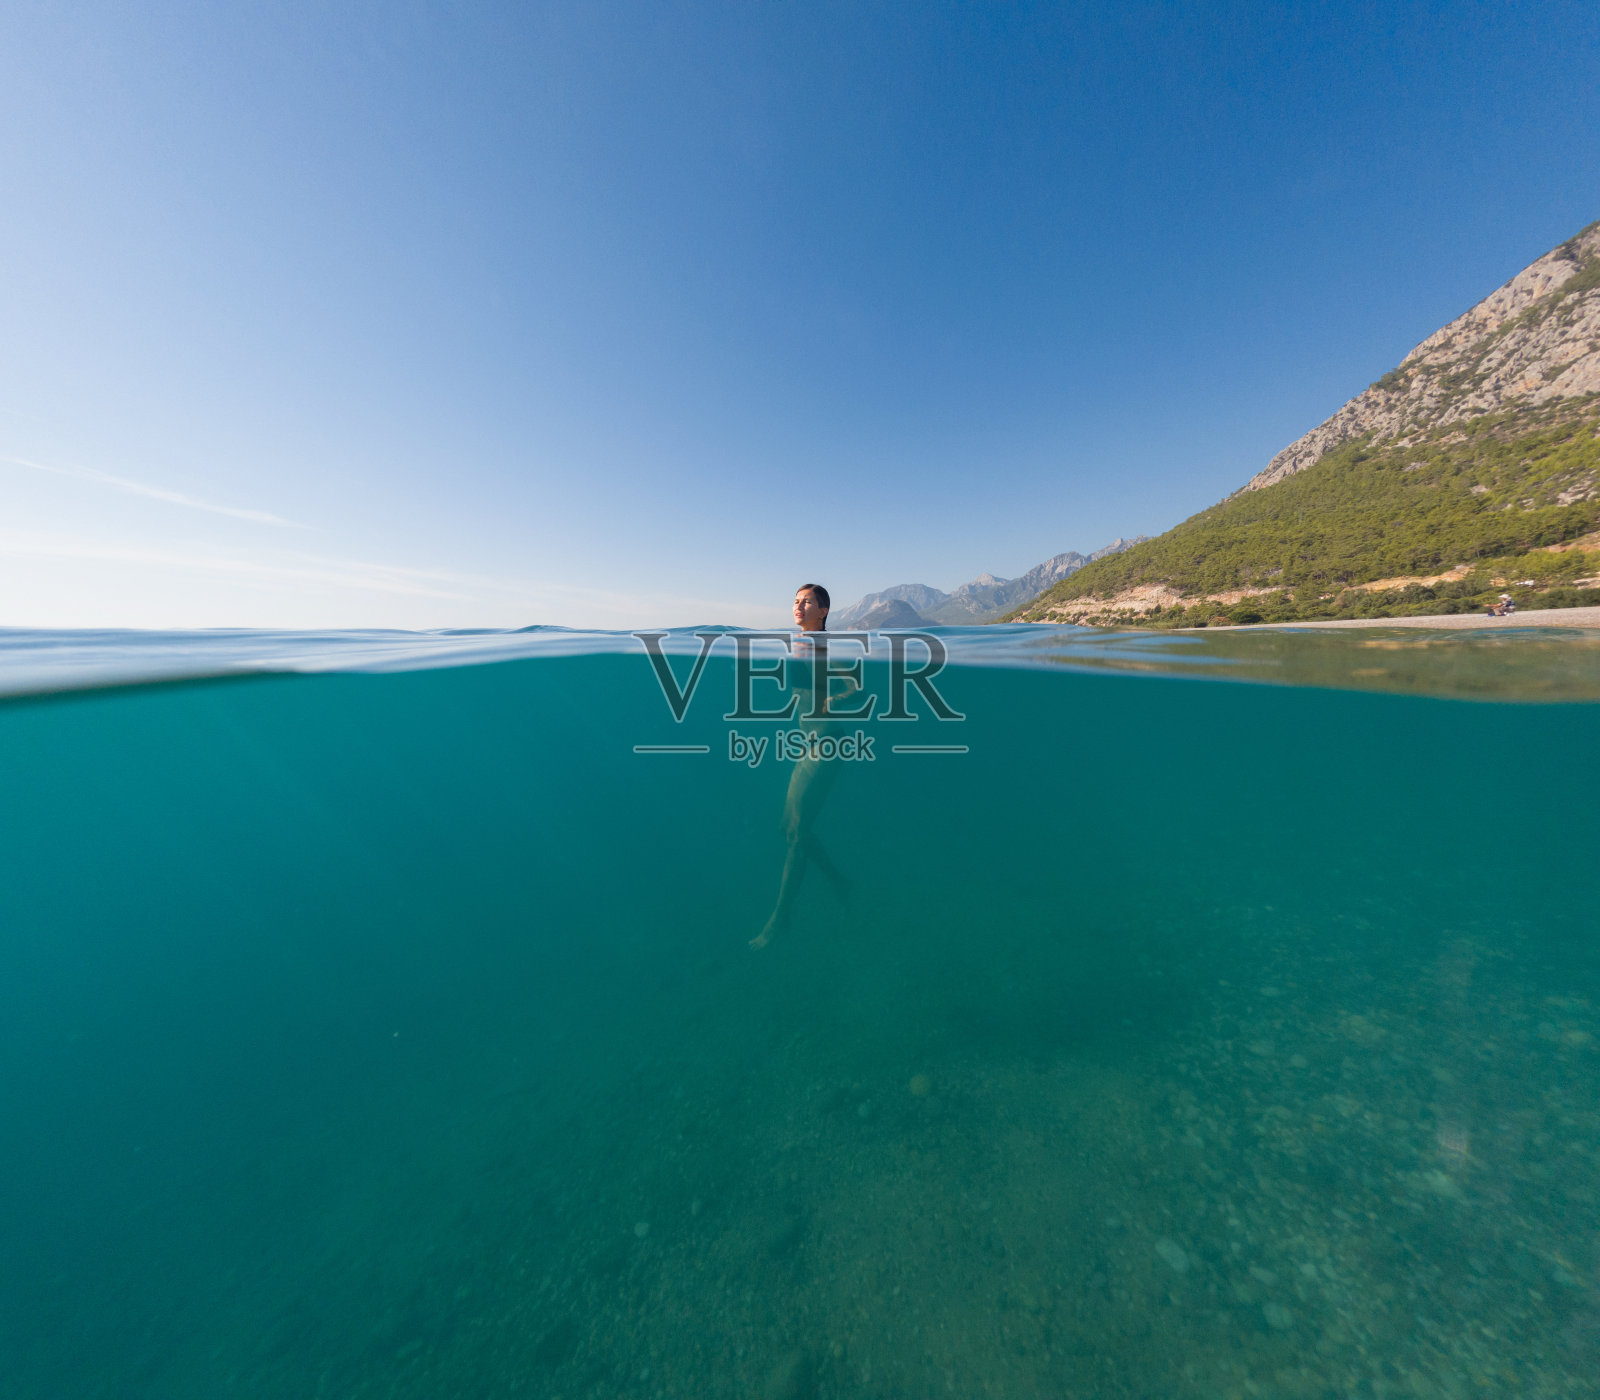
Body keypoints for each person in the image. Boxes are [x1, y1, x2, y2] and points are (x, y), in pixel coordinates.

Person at [751, 584, 853, 948]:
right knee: (788, 828)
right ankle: (841, 883)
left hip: (826, 744)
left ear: (823, 610)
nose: (798, 605)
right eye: (795, 601)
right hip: (807, 743)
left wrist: (832, 702)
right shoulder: (799, 642)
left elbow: (853, 684)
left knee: (796, 833)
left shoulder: (823, 645)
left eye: (806, 601)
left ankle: (781, 918)